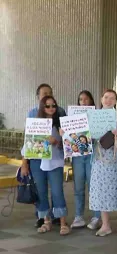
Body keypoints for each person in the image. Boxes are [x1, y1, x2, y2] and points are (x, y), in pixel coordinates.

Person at [20, 96, 70, 235]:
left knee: (57, 192)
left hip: (55, 162)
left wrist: (57, 141)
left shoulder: (60, 124)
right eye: (47, 106)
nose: (51, 108)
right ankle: (46, 221)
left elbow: (68, 147)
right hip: (37, 163)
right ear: (42, 107)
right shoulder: (35, 124)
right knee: (41, 192)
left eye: (53, 105)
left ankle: (63, 222)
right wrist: (24, 164)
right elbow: (27, 145)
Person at [89, 89, 117, 236]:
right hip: (100, 158)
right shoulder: (93, 117)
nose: (108, 100)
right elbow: (86, 138)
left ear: (116, 101)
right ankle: (105, 224)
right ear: (101, 99)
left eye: (112, 98)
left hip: (116, 158)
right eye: (106, 97)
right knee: (101, 190)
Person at [69, 90, 101, 230]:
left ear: (91, 101)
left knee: (93, 186)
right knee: (78, 187)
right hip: (77, 156)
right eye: (81, 99)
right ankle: (78, 216)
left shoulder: (96, 116)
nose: (83, 102)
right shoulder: (73, 117)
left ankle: (97, 216)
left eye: (86, 99)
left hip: (92, 154)